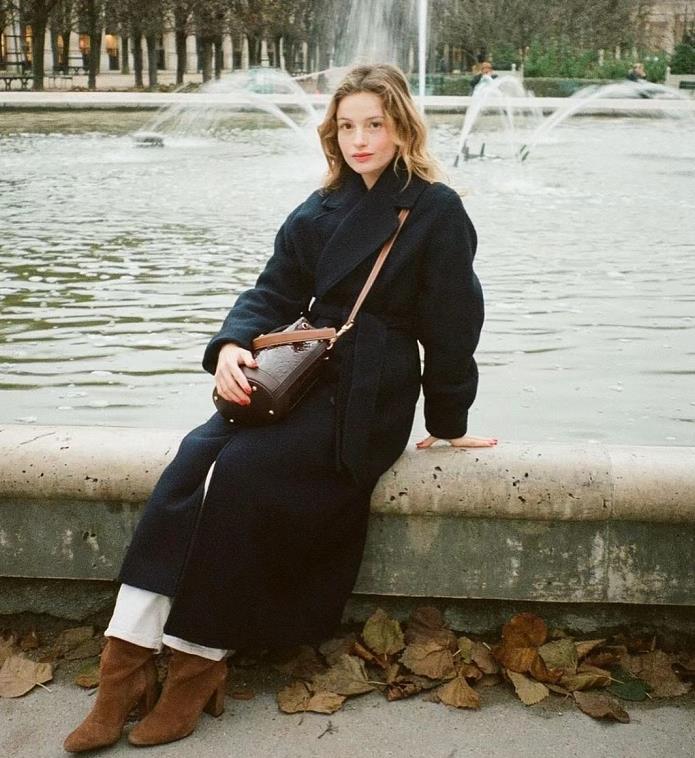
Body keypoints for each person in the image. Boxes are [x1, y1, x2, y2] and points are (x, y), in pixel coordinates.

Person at [63, 62, 497, 753]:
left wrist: (448, 425)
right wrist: (232, 345)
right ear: (333, 133)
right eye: (346, 126)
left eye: (374, 125)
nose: (360, 140)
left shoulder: (434, 209)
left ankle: (196, 664)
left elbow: (453, 325)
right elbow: (272, 291)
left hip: (369, 395)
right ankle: (124, 667)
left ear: (401, 128)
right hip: (294, 375)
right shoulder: (319, 207)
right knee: (192, 464)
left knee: (241, 475)